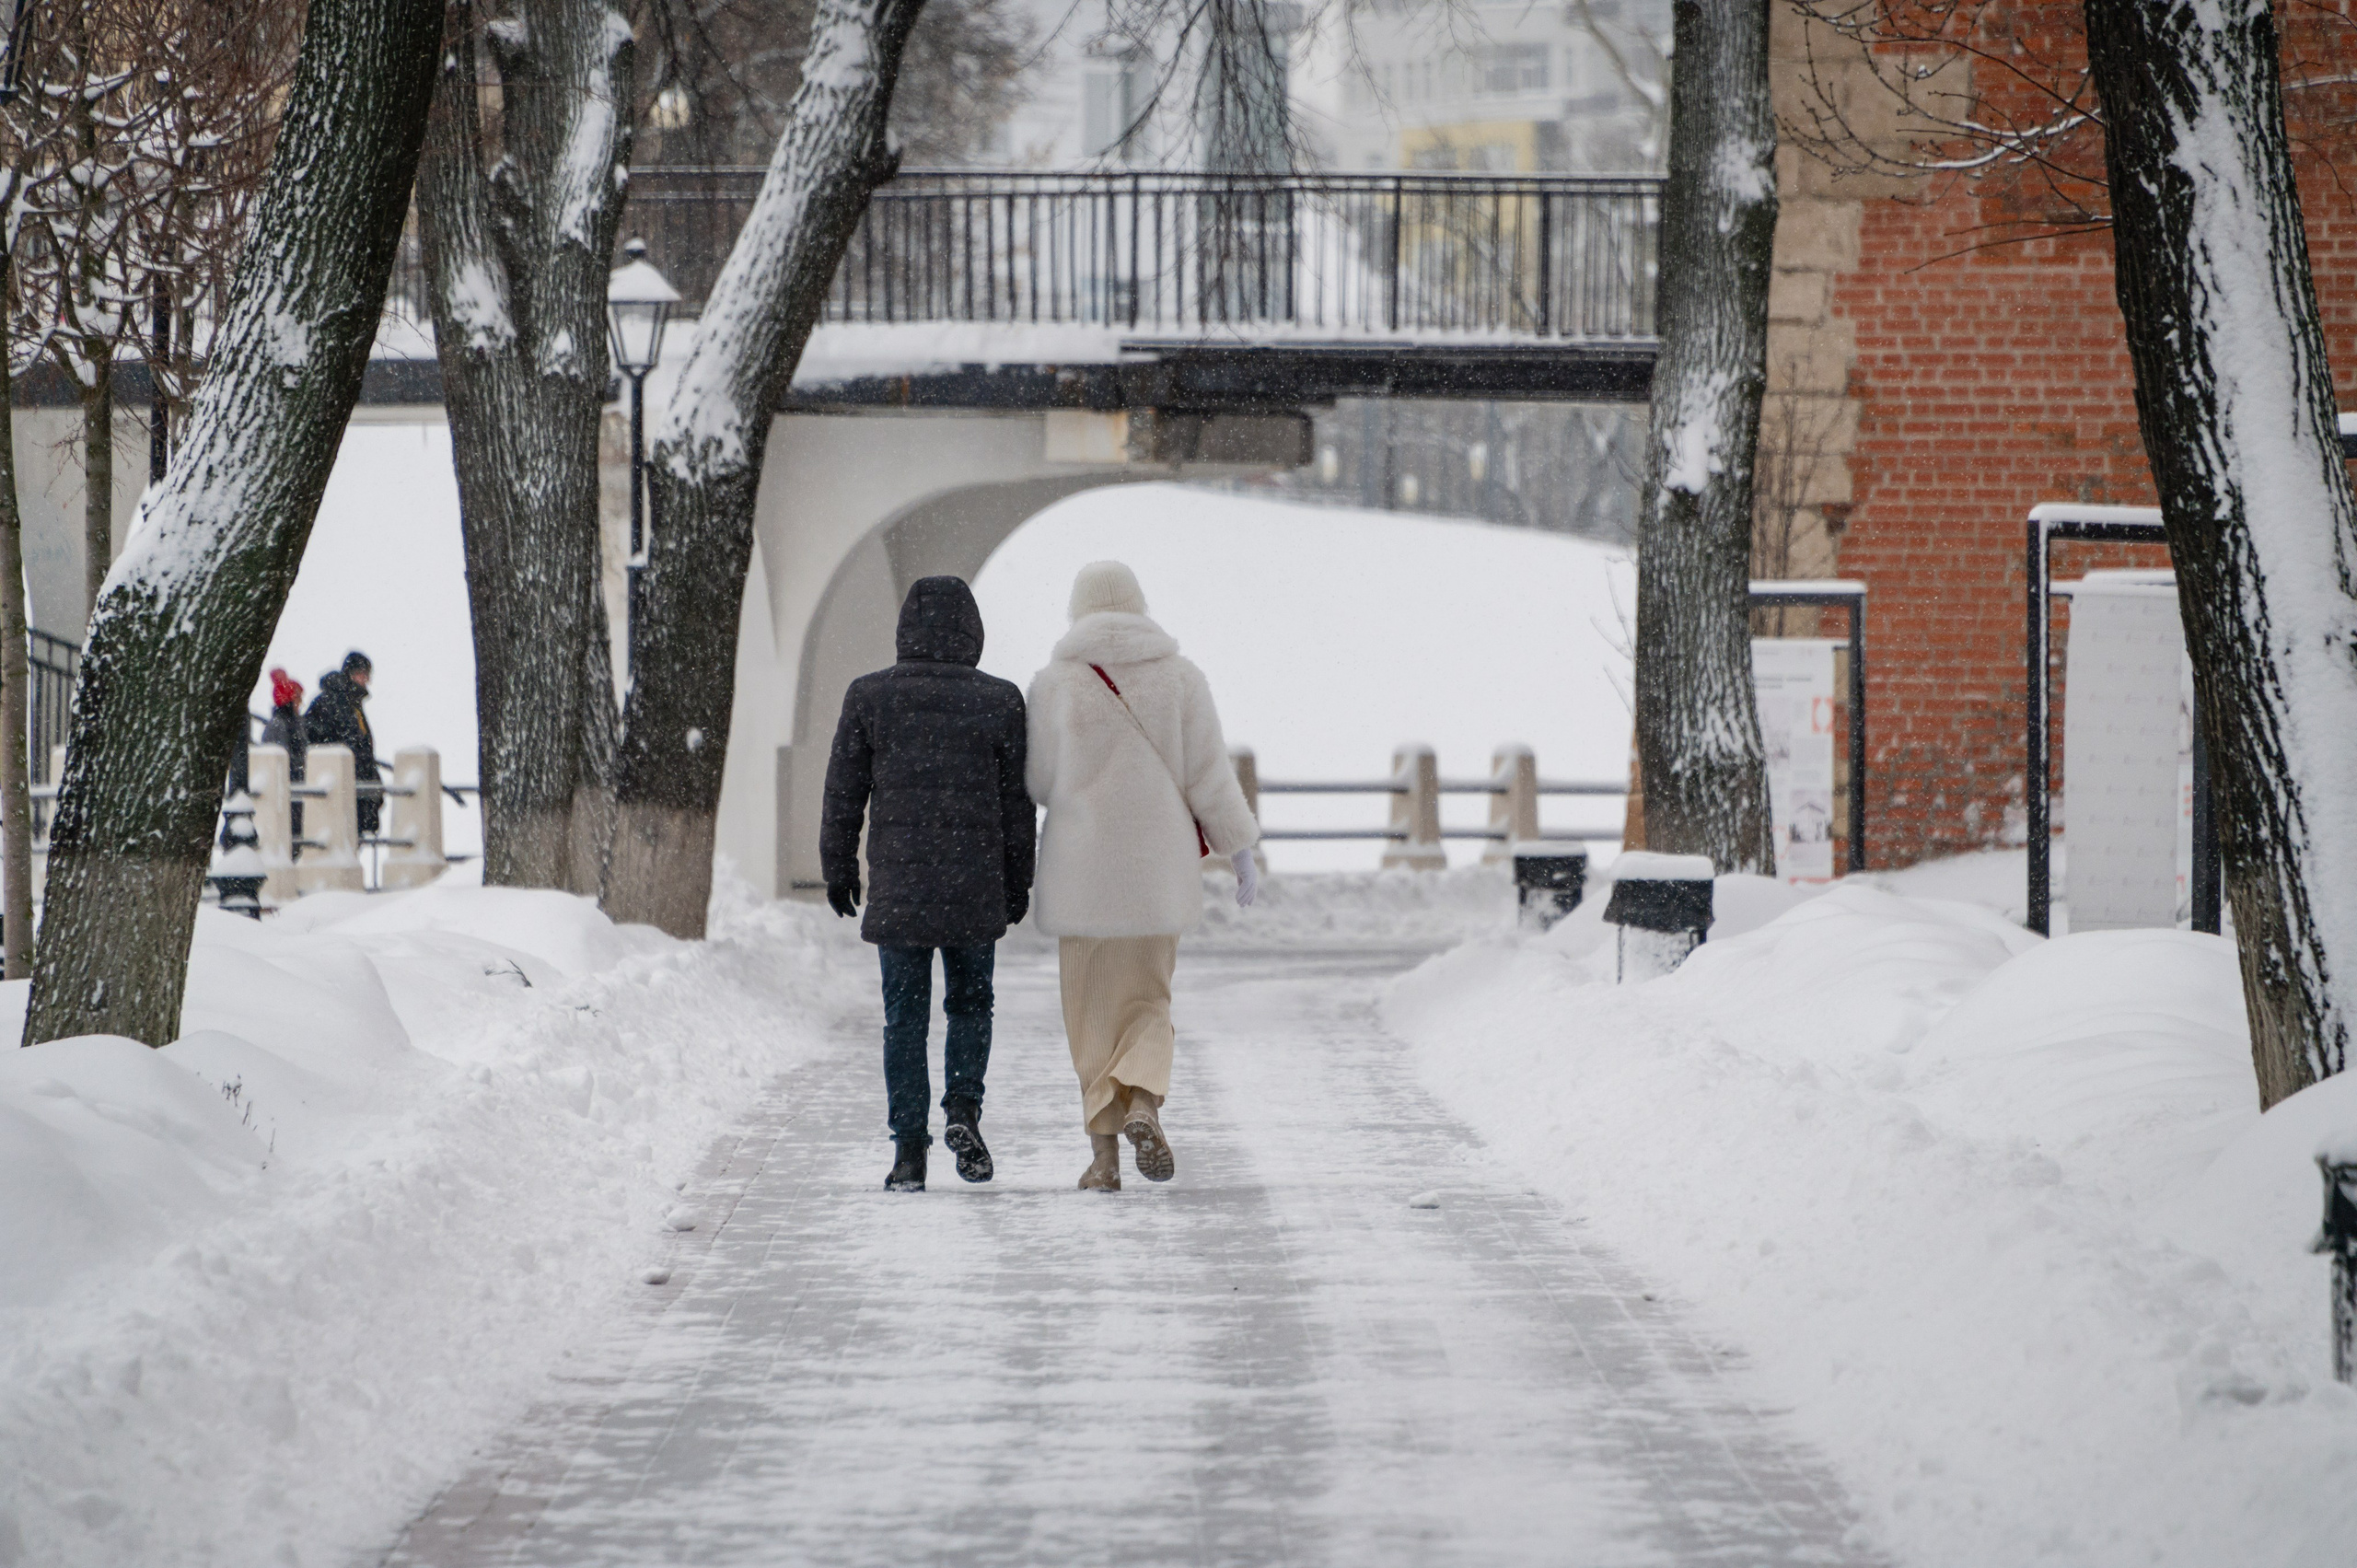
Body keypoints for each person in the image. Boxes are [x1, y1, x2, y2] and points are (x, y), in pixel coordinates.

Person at [1026, 561, 1259, 1192]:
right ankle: (1146, 1102)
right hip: (1157, 872)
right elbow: (1209, 775)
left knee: (1090, 1015)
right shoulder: (1182, 679)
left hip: (1082, 874)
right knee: (1149, 1000)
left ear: (1078, 610)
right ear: (1139, 605)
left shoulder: (1054, 684)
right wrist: (1240, 851)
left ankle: (1103, 1161)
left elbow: (1040, 781)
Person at [821, 576, 1035, 1194]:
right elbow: (1017, 806)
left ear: (905, 630)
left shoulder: (870, 696)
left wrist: (837, 866)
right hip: (974, 885)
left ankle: (909, 1152)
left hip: (901, 888)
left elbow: (844, 793)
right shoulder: (999, 701)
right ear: (972, 630)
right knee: (970, 1004)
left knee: (903, 1020)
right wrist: (1017, 882)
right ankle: (963, 1108)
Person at [306, 650, 379, 835]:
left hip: (349, 782)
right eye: (364, 674)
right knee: (342, 838)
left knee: (345, 842)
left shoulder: (347, 702)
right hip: (342, 784)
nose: (367, 680)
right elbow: (350, 744)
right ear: (353, 674)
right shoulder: (338, 703)